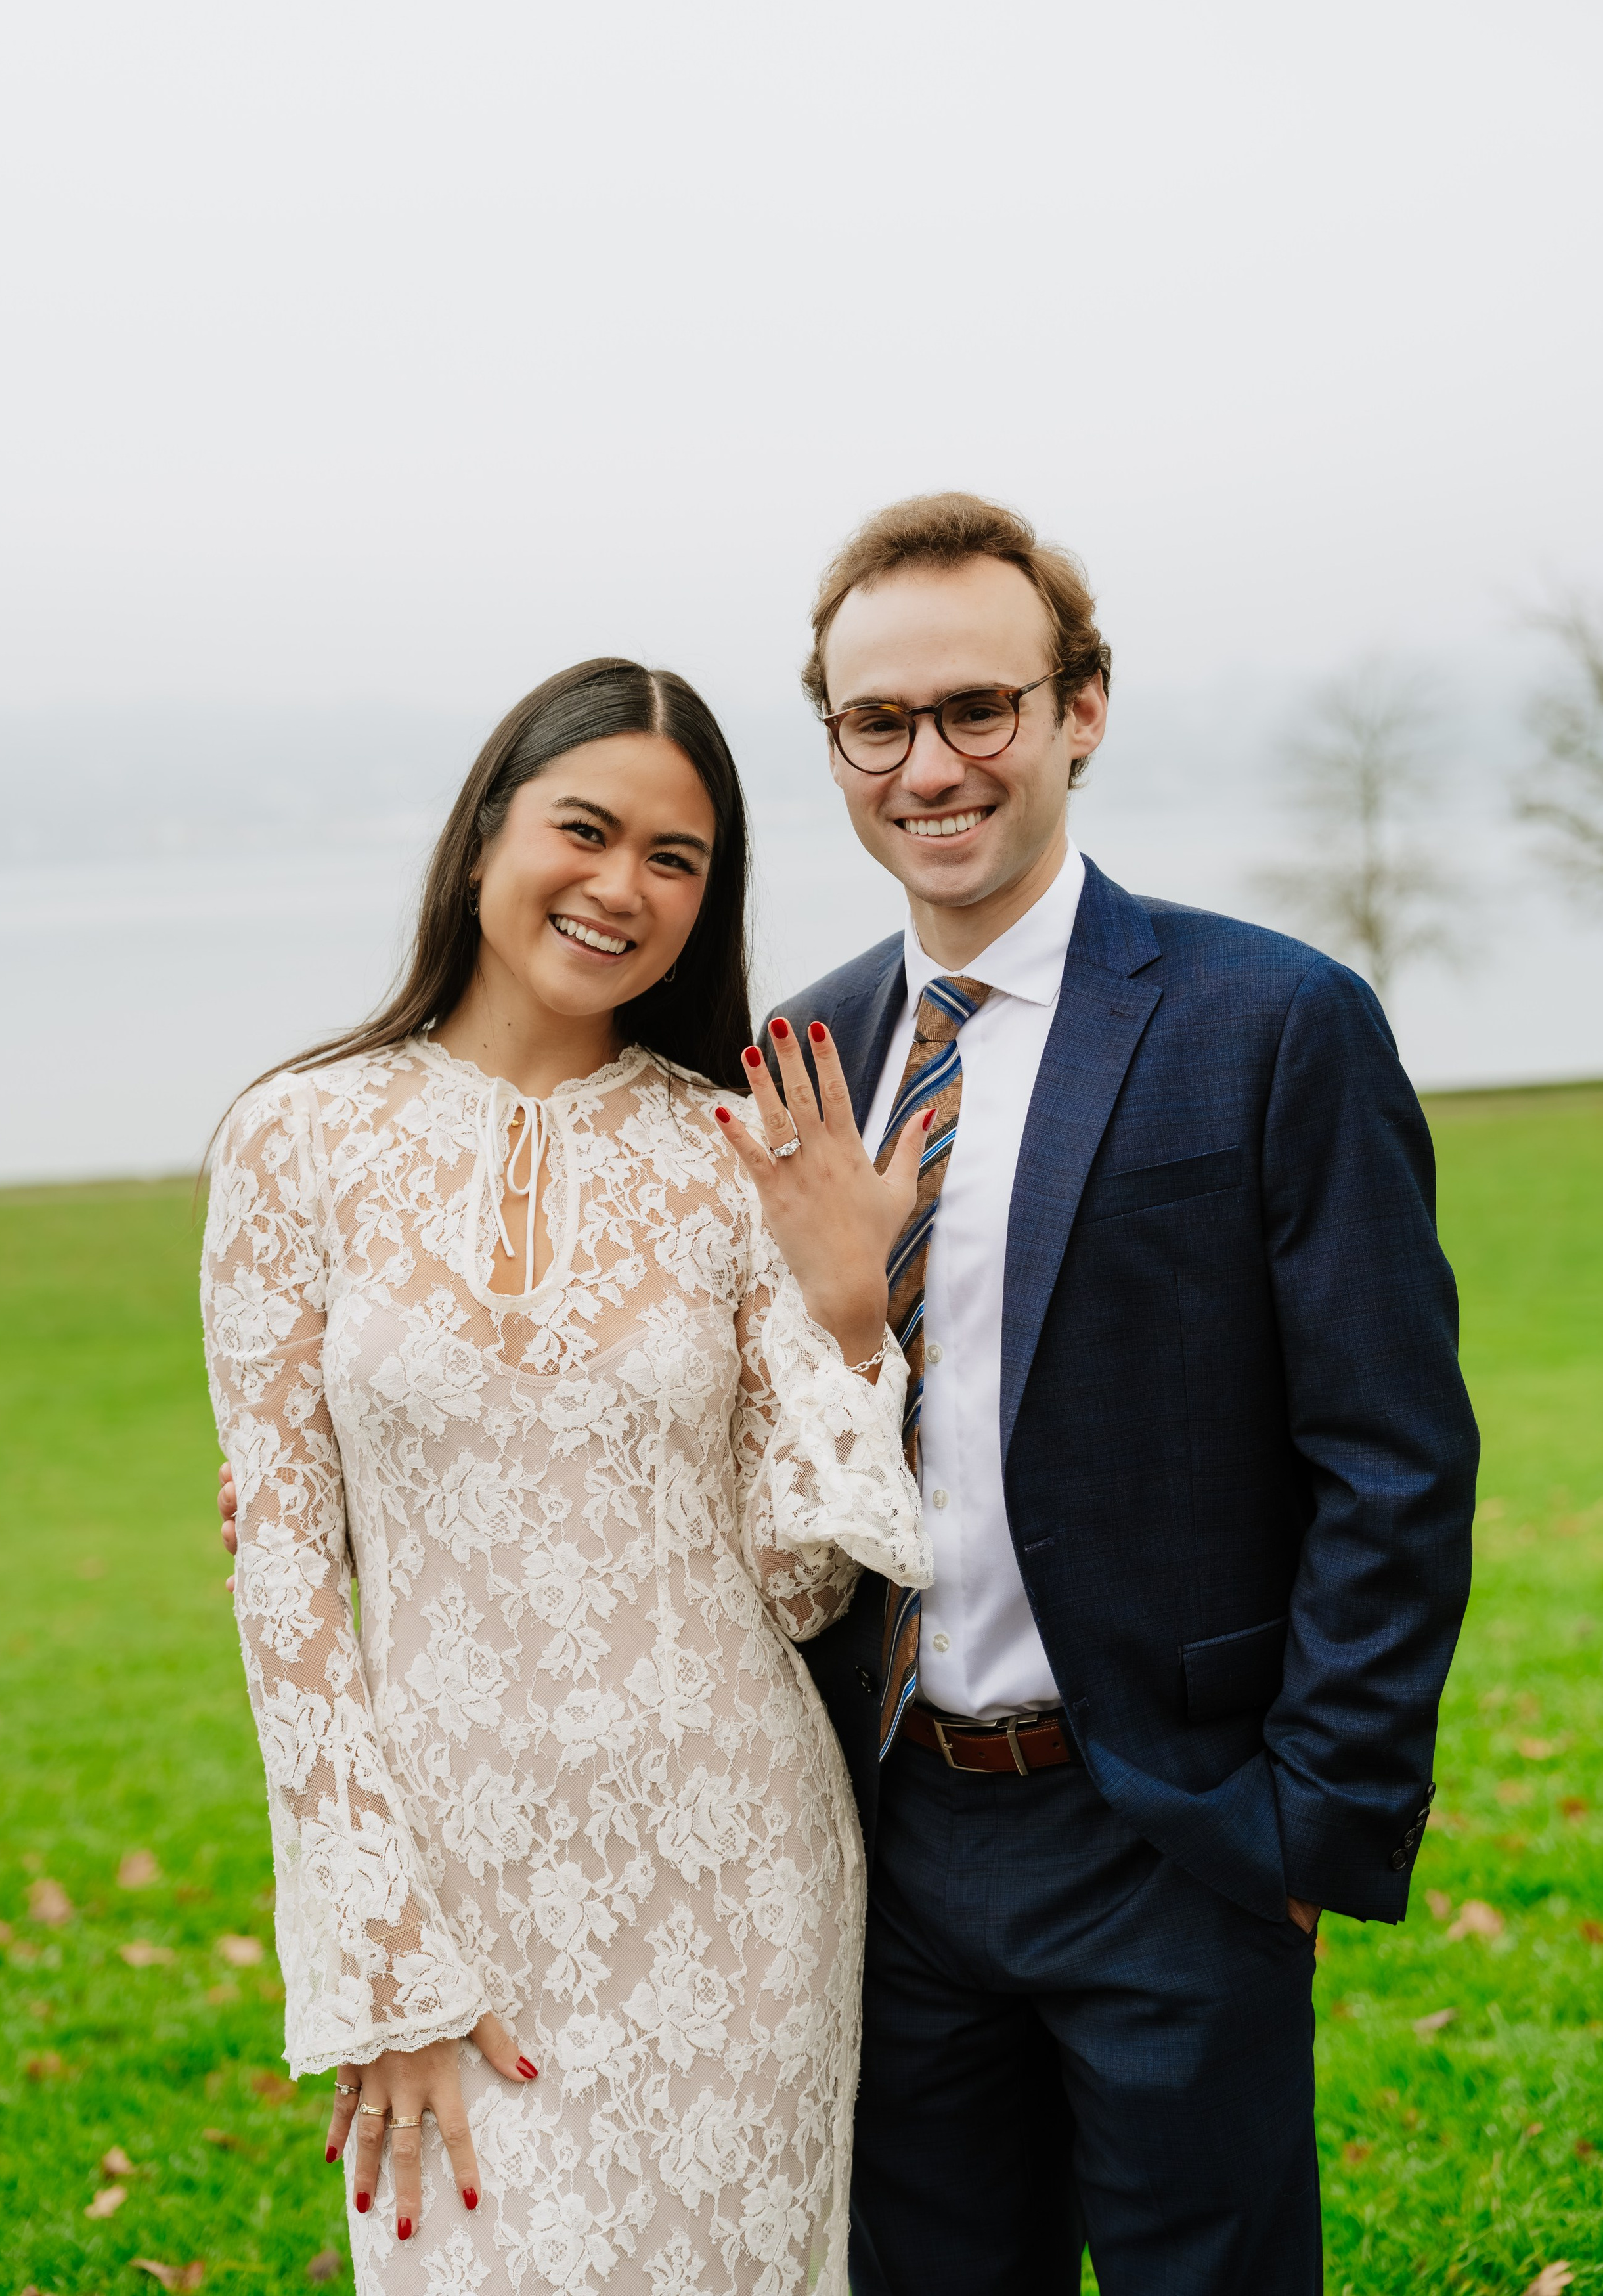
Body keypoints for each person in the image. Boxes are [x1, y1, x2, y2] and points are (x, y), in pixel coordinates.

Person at [762, 493, 1479, 2294]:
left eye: (978, 710)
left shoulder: (1275, 1023)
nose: (930, 765)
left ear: (1082, 709)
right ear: (837, 744)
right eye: (879, 724)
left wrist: (1306, 1828)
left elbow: (1394, 1461)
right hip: (889, 1843)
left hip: (1169, 1837)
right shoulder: (799, 1056)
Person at [202, 657, 938, 2295]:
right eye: (584, 829)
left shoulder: (729, 1148)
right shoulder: (292, 1141)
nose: (621, 887)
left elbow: (803, 1582)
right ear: (485, 837)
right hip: (454, 1893)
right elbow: (281, 1585)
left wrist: (838, 1316)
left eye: (675, 861)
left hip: (737, 1886)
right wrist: (383, 1964)